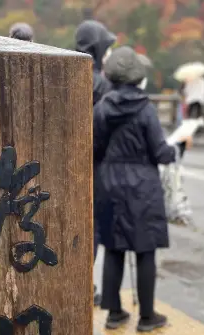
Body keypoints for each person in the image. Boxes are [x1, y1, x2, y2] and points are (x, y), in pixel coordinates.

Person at [93, 47, 184, 332]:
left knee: (113, 246)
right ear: (137, 77)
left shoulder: (102, 109)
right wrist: (179, 147)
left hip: (109, 183)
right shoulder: (146, 110)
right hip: (143, 184)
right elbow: (161, 153)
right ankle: (147, 316)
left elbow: (94, 149)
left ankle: (114, 313)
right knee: (145, 249)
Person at [75, 19, 116, 304]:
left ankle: (75, 283)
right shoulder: (102, 84)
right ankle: (84, 286)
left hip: (69, 163)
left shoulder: (65, 72)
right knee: (93, 230)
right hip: (97, 166)